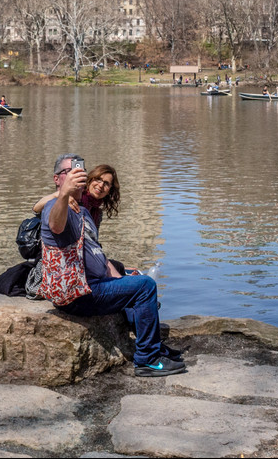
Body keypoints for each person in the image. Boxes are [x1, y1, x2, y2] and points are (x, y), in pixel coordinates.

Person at [39, 153, 185, 377]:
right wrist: (64, 194)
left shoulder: (85, 211)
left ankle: (154, 345)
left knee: (135, 281)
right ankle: (147, 359)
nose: (74, 176)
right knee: (145, 286)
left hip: (94, 284)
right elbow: (56, 226)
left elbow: (97, 253)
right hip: (78, 293)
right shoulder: (56, 206)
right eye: (68, 172)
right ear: (57, 179)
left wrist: (119, 277)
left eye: (78, 171)